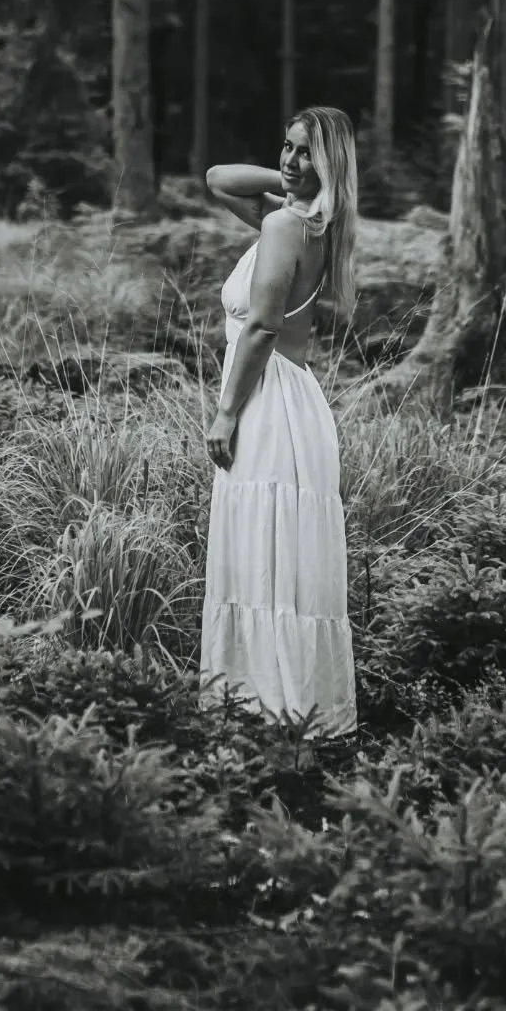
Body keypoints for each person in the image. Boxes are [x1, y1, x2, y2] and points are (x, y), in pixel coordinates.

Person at [199, 106, 358, 738]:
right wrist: (299, 173)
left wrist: (225, 412)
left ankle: (270, 715)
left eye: (303, 154)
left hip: (267, 404)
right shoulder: (304, 222)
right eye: (286, 149)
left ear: (331, 168)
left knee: (266, 558)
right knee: (271, 559)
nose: (289, 162)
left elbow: (262, 328)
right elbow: (217, 178)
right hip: (295, 404)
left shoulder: (288, 227)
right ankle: (272, 708)